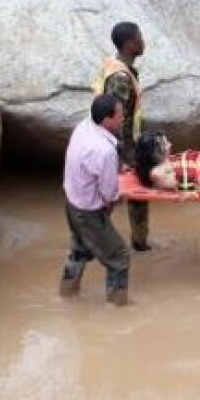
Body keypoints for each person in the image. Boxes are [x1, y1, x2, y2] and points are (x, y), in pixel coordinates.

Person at [59, 94, 131, 307]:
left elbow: (90, 166)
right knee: (119, 257)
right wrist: (120, 196)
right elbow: (109, 193)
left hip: (72, 202)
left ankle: (66, 294)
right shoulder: (105, 150)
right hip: (89, 211)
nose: (123, 117)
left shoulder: (83, 126)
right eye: (120, 115)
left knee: (80, 250)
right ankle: (117, 308)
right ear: (107, 120)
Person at [95, 21, 152, 251]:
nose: (143, 41)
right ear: (130, 44)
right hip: (121, 150)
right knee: (113, 197)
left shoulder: (119, 69)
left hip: (127, 148)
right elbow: (114, 119)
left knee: (133, 197)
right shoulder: (120, 77)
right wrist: (122, 159)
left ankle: (140, 244)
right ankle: (90, 244)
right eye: (140, 37)